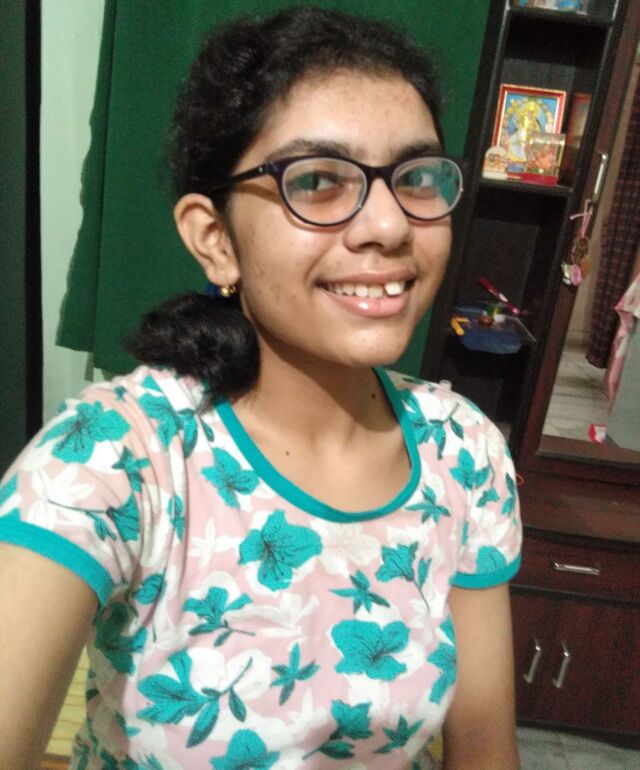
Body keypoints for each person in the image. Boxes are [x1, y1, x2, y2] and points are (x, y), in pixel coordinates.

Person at [0, 6, 522, 769]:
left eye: (415, 178)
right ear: (215, 240)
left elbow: (482, 744)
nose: (388, 226)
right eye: (317, 181)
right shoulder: (120, 452)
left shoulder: (464, 451)